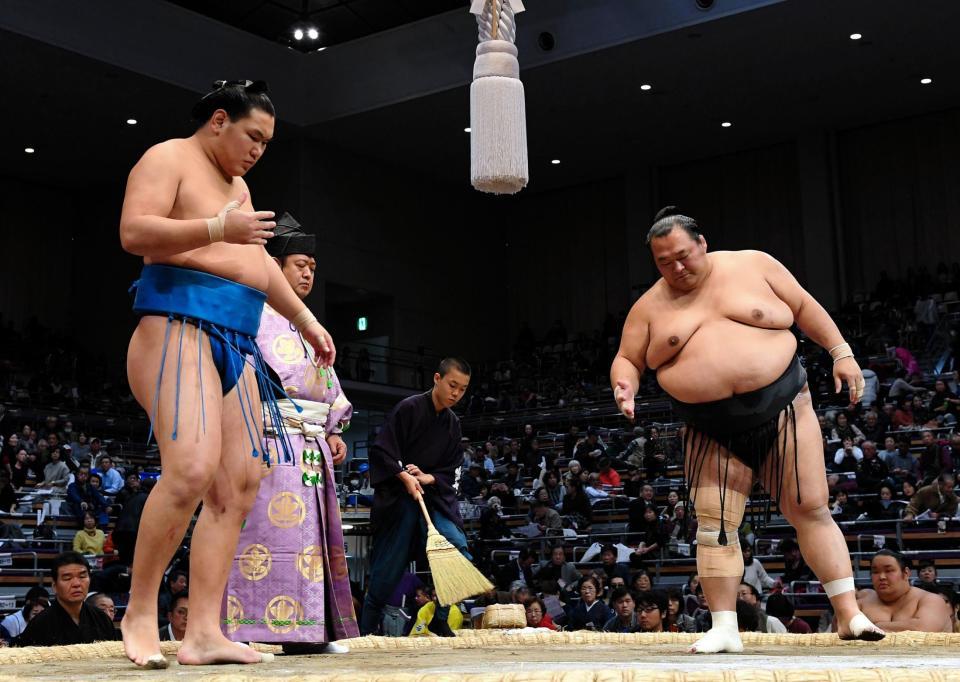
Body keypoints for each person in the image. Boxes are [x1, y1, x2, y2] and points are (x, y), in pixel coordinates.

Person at [118, 80, 335, 668]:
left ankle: (205, 632)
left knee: (240, 480)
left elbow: (258, 264)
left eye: (266, 142)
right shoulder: (168, 157)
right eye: (252, 136)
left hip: (234, 341)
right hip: (175, 328)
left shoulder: (237, 186)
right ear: (219, 119)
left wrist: (307, 321)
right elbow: (135, 232)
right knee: (189, 469)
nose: (257, 151)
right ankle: (140, 612)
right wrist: (216, 228)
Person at [611, 207, 883, 653]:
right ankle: (723, 627)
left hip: (784, 407)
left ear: (702, 243)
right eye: (664, 262)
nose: (677, 267)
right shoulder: (648, 308)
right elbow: (627, 358)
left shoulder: (753, 264)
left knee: (810, 508)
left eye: (683, 255)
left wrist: (841, 352)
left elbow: (802, 306)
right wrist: (625, 384)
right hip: (709, 426)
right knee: (715, 525)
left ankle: (849, 613)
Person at [223, 213, 356, 654]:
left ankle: (309, 633)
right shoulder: (252, 315)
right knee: (265, 538)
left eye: (313, 268)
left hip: (311, 444)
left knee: (312, 543)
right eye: (300, 263)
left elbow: (329, 388)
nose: (307, 272)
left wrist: (334, 430)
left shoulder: (307, 324)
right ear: (274, 267)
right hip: (267, 439)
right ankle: (246, 630)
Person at [360, 358, 472, 636]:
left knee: (456, 545)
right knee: (389, 567)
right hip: (400, 499)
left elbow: (453, 468)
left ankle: (441, 615)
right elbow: (382, 451)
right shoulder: (409, 408)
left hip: (433, 498)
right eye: (452, 385)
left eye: (462, 389)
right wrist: (404, 476)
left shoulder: (453, 424)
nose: (456, 393)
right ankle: (364, 628)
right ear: (437, 378)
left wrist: (426, 477)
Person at [15, 552, 119, 646]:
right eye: (67, 578)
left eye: (82, 577)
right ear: (55, 586)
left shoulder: (101, 619)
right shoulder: (40, 624)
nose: (76, 584)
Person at [854, 550, 952, 632]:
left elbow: (923, 629)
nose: (882, 577)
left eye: (889, 571)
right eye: (875, 572)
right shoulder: (861, 603)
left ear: (906, 573)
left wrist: (874, 626)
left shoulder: (931, 600)